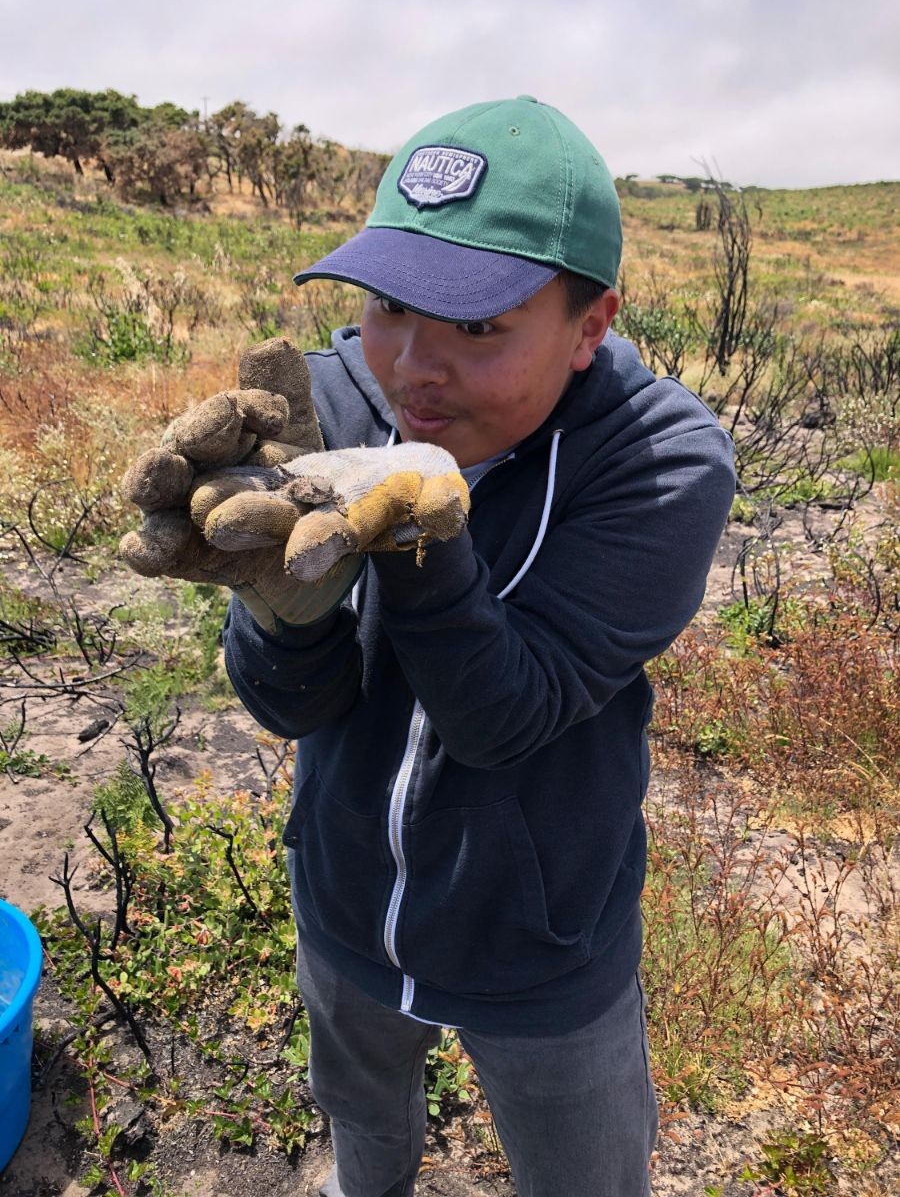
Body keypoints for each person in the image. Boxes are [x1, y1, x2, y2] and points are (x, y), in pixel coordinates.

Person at [220, 97, 736, 1197]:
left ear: (591, 324)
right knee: (362, 1122)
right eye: (391, 305)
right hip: (349, 907)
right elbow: (295, 709)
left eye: (480, 326)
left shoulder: (663, 464)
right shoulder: (333, 398)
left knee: (584, 1175)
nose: (413, 365)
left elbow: (506, 715)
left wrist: (419, 524)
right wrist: (279, 611)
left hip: (542, 946)